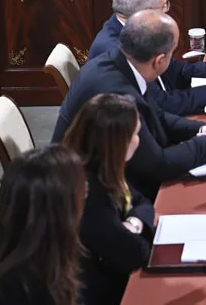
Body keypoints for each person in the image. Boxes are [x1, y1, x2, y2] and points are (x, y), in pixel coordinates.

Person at [53, 9, 206, 200]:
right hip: (84, 195)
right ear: (159, 61)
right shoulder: (119, 93)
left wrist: (202, 129)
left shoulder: (121, 62)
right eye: (171, 53)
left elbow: (157, 114)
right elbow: (156, 166)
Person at [0, 145, 85, 305]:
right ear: (57, 212)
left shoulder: (9, 253)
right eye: (81, 194)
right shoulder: (20, 290)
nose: (84, 199)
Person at [62, 93, 155, 305]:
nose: (139, 141)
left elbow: (142, 202)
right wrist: (133, 227)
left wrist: (133, 223)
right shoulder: (87, 195)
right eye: (135, 134)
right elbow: (135, 254)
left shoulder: (97, 167)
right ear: (118, 142)